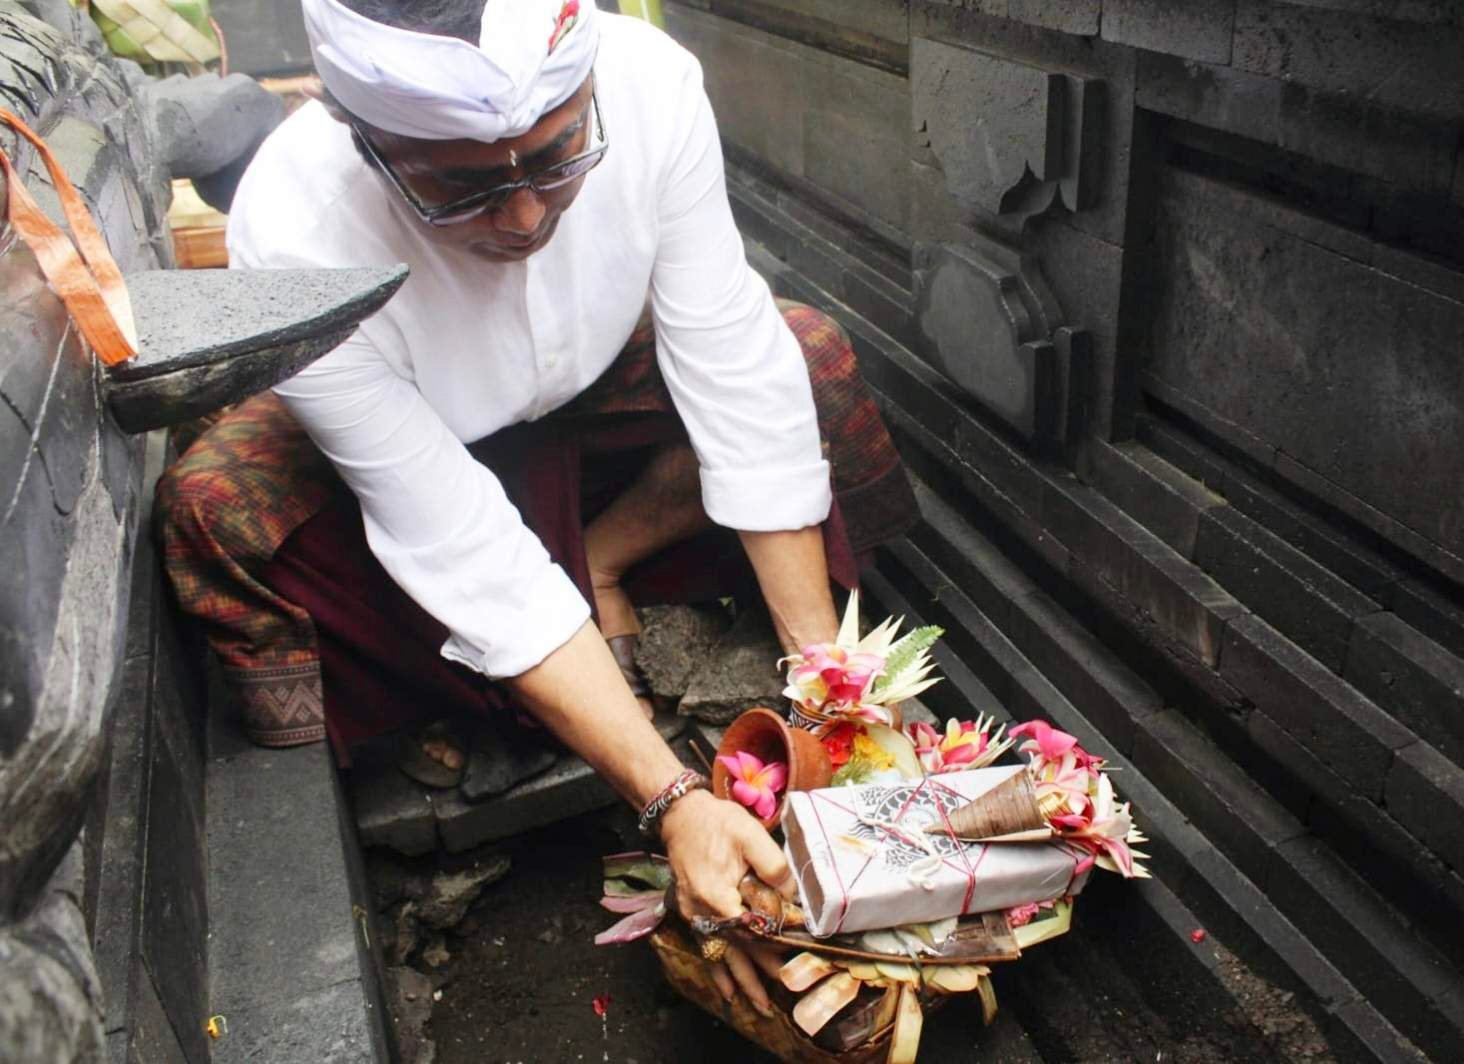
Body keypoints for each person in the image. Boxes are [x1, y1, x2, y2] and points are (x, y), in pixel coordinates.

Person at [155, 0, 916, 1013]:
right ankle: (483, 681)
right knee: (213, 514)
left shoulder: (650, 82)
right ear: (364, 138)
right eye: (460, 186)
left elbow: (732, 367)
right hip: (429, 445)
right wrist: (674, 797)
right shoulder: (291, 227)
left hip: (599, 394)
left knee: (806, 355)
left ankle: (597, 557)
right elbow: (452, 533)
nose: (521, 216)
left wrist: (828, 687)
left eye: (558, 159)